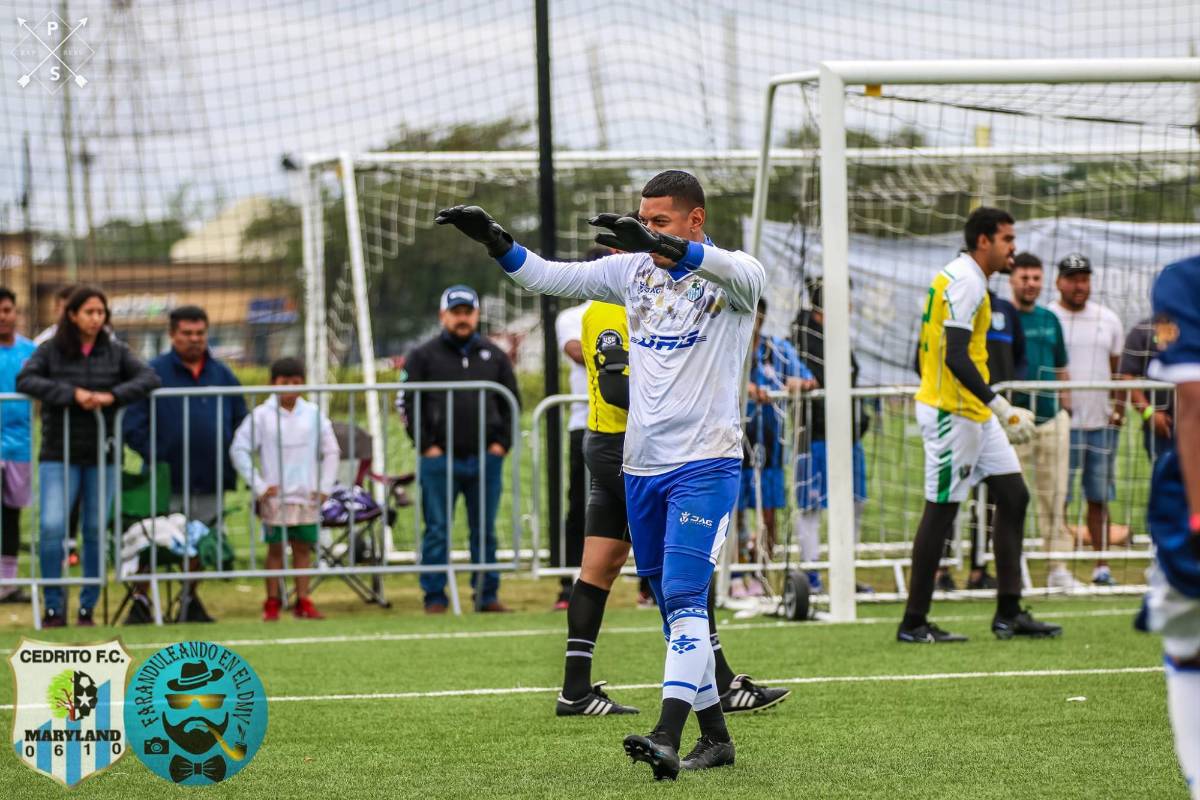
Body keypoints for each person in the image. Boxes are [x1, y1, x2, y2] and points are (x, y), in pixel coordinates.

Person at [438, 169, 763, 779]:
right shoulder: (630, 272)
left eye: (659, 221)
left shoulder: (735, 275)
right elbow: (550, 275)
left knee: (689, 596)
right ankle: (716, 738)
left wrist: (665, 247)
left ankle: (667, 735)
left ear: (696, 221)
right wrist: (494, 240)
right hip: (639, 467)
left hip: (705, 463)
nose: (647, 231)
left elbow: (734, 272)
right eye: (643, 220)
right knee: (672, 604)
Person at [554, 298, 790, 720]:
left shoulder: (641, 301)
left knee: (600, 566)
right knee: (683, 565)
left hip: (622, 446)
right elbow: (614, 387)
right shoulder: (610, 308)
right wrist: (683, 406)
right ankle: (719, 684)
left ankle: (574, 691)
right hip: (627, 451)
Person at [899, 207, 1060, 644]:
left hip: (971, 411)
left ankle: (1009, 613)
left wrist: (989, 408)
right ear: (984, 241)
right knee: (942, 509)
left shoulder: (961, 277)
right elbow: (953, 355)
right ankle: (914, 621)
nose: (1014, 247)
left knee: (1014, 495)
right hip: (954, 413)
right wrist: (1002, 406)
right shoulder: (968, 281)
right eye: (1008, 238)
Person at [17, 286, 160, 627]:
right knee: (52, 527)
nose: (96, 319)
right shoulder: (51, 350)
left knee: (94, 530)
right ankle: (53, 605)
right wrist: (72, 395)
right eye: (89, 312)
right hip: (58, 453)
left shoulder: (115, 350)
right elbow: (26, 380)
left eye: (101, 312)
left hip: (103, 454)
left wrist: (112, 396)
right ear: (72, 315)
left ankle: (87, 608)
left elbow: (149, 377)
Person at [123, 305, 249, 623]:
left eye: (200, 333)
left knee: (199, 542)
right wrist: (157, 455)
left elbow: (240, 419)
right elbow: (132, 423)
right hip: (167, 478)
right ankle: (141, 602)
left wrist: (229, 450)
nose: (194, 340)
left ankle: (189, 599)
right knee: (155, 541)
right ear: (172, 335)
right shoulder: (152, 372)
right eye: (187, 334)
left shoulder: (222, 373)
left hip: (210, 476)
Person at [401, 285, 520, 614]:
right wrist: (426, 446)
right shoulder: (422, 356)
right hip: (439, 459)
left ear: (477, 315)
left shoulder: (494, 355)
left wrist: (500, 445)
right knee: (437, 529)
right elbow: (406, 403)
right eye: (456, 312)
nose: (462, 318)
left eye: (467, 312)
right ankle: (435, 598)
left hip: (485, 458)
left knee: (485, 529)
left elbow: (511, 402)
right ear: (443, 316)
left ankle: (486, 594)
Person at [1139, 253, 1200, 800]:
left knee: (1187, 640)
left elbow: (1194, 400)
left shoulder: (1183, 280)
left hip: (1189, 499)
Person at [230, 357, 339, 622]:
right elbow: (239, 449)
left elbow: (331, 450)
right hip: (276, 496)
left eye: (295, 382)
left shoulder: (313, 414)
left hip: (306, 494)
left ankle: (303, 600)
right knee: (276, 550)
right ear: (272, 383)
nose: (290, 387)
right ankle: (272, 602)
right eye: (284, 382)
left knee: (303, 549)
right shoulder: (261, 416)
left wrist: (324, 486)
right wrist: (259, 485)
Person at [940, 287, 1028, 592]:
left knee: (1006, 495)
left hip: (992, 416)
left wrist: (1007, 401)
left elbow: (1020, 358)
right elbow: (936, 358)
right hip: (958, 414)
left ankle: (986, 574)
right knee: (948, 497)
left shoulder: (1003, 309)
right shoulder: (949, 302)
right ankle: (941, 570)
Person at [1051, 253, 1126, 586]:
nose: (1080, 285)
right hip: (1062, 425)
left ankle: (1101, 564)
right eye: (1073, 278)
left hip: (1100, 425)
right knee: (1059, 498)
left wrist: (1118, 411)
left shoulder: (1108, 319)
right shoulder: (1049, 317)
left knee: (1099, 497)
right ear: (1059, 282)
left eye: (1084, 278)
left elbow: (1118, 369)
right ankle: (1059, 566)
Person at [793, 278, 870, 594]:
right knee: (811, 507)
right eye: (845, 299)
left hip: (848, 437)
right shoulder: (802, 338)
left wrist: (860, 419)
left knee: (855, 503)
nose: (850, 306)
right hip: (815, 437)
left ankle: (845, 573)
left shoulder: (839, 338)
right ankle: (811, 573)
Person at [1009, 252, 1079, 590]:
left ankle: (1058, 566)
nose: (1030, 284)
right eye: (1024, 277)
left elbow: (1061, 365)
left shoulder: (1050, 319)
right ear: (1012, 279)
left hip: (1051, 418)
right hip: (1014, 421)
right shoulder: (1004, 316)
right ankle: (1013, 563)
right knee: (1013, 495)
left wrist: (1067, 406)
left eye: (1036, 278)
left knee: (1055, 494)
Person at [739, 296, 814, 583]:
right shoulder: (727, 343)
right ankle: (734, 576)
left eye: (757, 315)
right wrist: (744, 388)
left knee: (769, 513)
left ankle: (760, 573)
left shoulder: (776, 349)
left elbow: (806, 378)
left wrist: (801, 383)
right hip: (731, 440)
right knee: (734, 514)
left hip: (769, 440)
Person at [553, 252, 603, 610]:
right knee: (579, 504)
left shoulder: (636, 305)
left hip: (633, 423)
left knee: (641, 505)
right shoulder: (573, 316)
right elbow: (577, 352)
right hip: (584, 424)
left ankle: (646, 586)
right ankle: (568, 583)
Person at [0, 289, 37, 603]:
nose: (3, 315)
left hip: (20, 446)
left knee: (11, 514)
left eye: (7, 309)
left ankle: (7, 583)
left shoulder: (30, 350)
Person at [1118, 316, 1174, 463]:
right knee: (1163, 478)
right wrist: (1150, 413)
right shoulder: (1142, 330)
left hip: (1193, 420)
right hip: (1160, 427)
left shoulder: (1193, 327)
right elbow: (1127, 376)